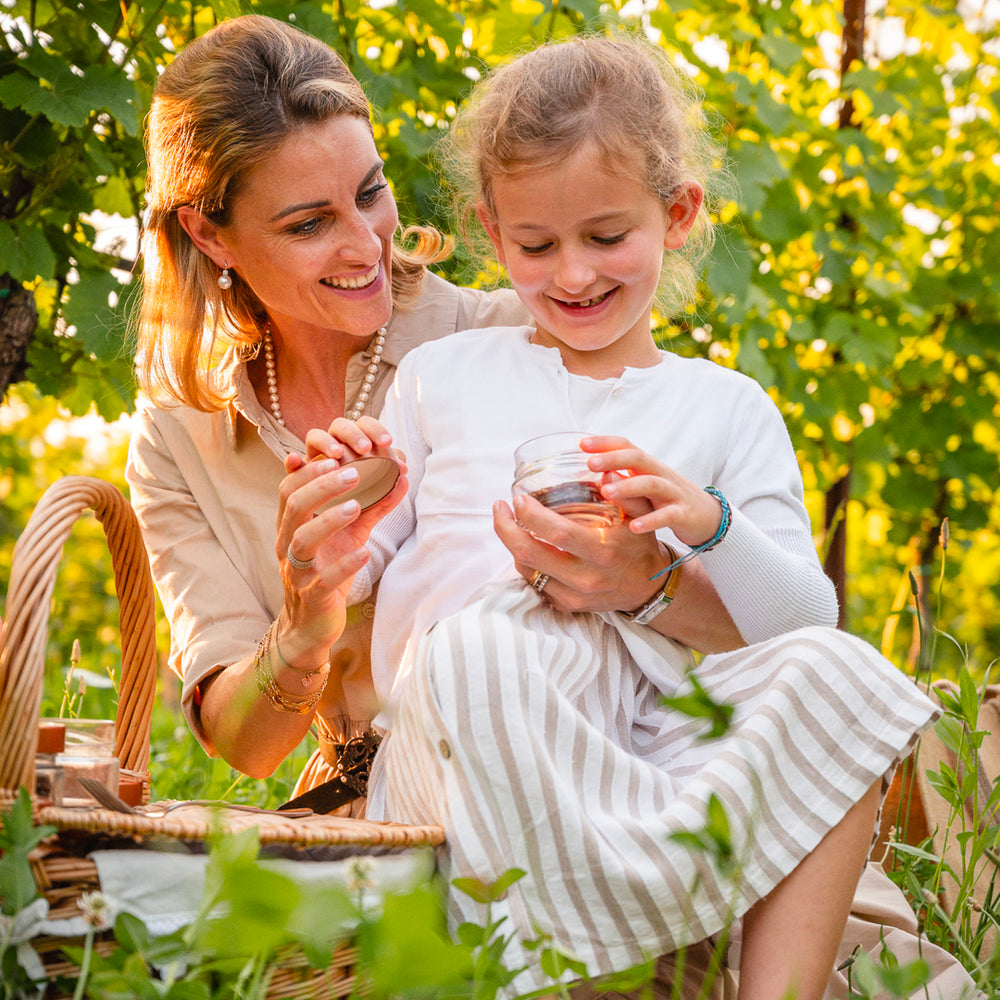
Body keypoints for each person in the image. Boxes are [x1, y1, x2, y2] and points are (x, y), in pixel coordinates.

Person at [300, 35, 979, 1000]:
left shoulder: (724, 405)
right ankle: (556, 968)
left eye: (607, 236)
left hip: (652, 751)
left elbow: (798, 620)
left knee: (845, 673)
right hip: (480, 745)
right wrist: (342, 535)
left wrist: (705, 531)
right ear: (494, 233)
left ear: (679, 212)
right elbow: (364, 574)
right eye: (536, 246)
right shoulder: (440, 379)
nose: (572, 274)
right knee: (483, 644)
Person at [125, 13, 732, 820]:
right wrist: (306, 622)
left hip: (574, 774)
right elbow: (248, 746)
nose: (366, 244)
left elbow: (743, 611)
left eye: (371, 193)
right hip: (371, 814)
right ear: (210, 234)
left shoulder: (518, 335)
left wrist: (645, 581)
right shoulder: (177, 437)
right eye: (308, 224)